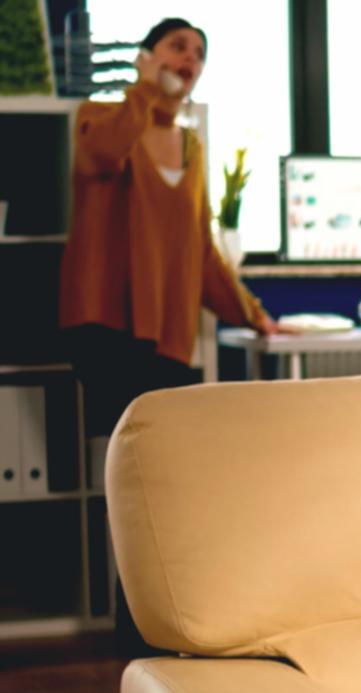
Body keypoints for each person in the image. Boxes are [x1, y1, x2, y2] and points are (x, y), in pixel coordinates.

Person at [59, 16, 278, 439]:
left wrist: (255, 316)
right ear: (146, 56)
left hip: (166, 332)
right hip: (106, 322)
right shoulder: (100, 117)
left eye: (199, 54)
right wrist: (143, 89)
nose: (190, 59)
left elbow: (201, 253)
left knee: (161, 451)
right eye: (178, 46)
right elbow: (101, 155)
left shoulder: (192, 147)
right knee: (124, 450)